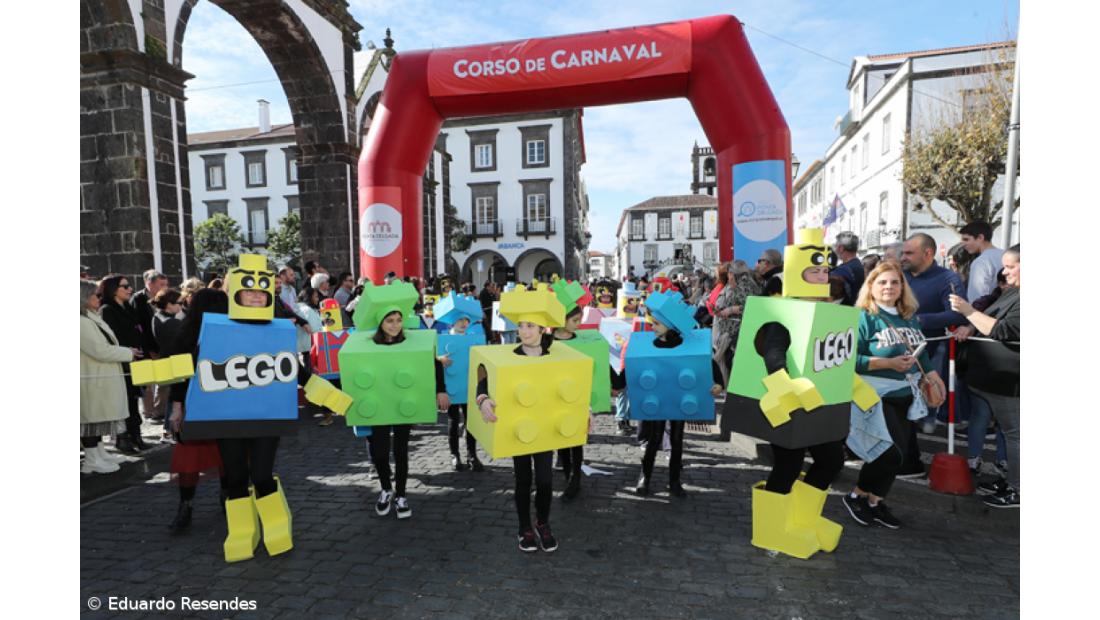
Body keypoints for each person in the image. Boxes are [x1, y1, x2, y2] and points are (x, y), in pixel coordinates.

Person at [476, 295, 591, 553]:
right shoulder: (507, 355)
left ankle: (543, 522)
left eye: (531, 326)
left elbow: (575, 384)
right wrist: (482, 399)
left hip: (545, 429)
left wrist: (586, 409)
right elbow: (483, 380)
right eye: (522, 325)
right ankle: (524, 527)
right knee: (523, 481)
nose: (525, 331)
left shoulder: (558, 354)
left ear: (543, 329)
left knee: (546, 480)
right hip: (517, 429)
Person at [844, 261, 945, 530]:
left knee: (898, 456)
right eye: (882, 282)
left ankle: (875, 501)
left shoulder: (909, 316)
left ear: (902, 287)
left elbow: (920, 350)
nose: (889, 287)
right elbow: (849, 359)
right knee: (889, 453)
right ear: (871, 287)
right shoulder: (862, 317)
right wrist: (888, 363)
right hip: (873, 395)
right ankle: (856, 496)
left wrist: (932, 374)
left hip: (907, 393)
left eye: (894, 282)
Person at [950, 245, 1020, 508]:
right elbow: (988, 318)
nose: (1004, 271)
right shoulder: (1013, 293)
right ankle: (1012, 481)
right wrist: (970, 322)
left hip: (1008, 381)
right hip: (991, 380)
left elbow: (1002, 330)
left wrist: (968, 311)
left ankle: (1018, 489)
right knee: (1009, 432)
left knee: (1015, 435)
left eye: (1011, 266)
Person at [630, 304, 724, 498]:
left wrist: (719, 384)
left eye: (656, 323)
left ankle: (674, 481)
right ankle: (644, 477)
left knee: (676, 440)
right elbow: (636, 362)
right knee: (654, 439)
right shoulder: (650, 345)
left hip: (680, 400)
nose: (652, 327)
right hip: (658, 400)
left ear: (670, 325)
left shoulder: (687, 344)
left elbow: (709, 362)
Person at [369, 309, 450, 519]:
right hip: (378, 404)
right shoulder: (369, 344)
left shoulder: (410, 342)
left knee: (401, 450)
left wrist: (441, 390)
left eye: (398, 321)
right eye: (389, 321)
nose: (395, 325)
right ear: (380, 323)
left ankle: (401, 495)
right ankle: (386, 489)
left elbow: (433, 363)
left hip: (403, 404)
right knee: (379, 452)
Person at [899, 233, 967, 473]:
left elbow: (957, 313)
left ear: (927, 254)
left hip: (933, 346)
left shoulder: (948, 278)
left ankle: (927, 418)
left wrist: (918, 320)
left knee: (929, 389)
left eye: (909, 253)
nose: (903, 257)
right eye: (903, 252)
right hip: (897, 347)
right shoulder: (900, 275)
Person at [164, 289, 227, 532]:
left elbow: (179, 378)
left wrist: (177, 408)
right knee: (228, 456)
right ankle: (227, 498)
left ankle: (186, 506)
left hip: (196, 405)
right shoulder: (231, 332)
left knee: (190, 459)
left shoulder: (186, 332)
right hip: (225, 407)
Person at [80, 279, 138, 474]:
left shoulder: (90, 318)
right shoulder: (81, 322)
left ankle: (99, 452)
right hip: (92, 377)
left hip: (100, 375)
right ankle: (91, 458)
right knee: (90, 419)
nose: (99, 298)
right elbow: (99, 350)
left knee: (97, 419)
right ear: (84, 298)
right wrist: (127, 353)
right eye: (96, 295)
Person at [98, 274, 153, 453]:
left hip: (135, 359)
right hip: (121, 361)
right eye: (125, 286)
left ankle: (136, 435)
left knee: (134, 398)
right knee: (124, 400)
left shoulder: (128, 307)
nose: (130, 288)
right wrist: (127, 350)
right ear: (113, 289)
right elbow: (111, 338)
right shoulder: (107, 309)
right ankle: (123, 439)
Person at [712, 260, 761, 385]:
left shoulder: (744, 284)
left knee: (731, 361)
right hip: (731, 330)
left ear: (733, 273)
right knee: (727, 361)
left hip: (738, 331)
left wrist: (730, 310)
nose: (728, 276)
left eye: (729, 273)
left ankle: (734, 387)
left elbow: (750, 307)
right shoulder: (739, 283)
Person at [959, 221, 1005, 302]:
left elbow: (976, 297)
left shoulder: (981, 262)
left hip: (988, 311)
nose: (963, 244)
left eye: (966, 239)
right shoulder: (1006, 254)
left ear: (980, 237)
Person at [830, 232, 864, 306]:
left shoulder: (843, 271)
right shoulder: (859, 265)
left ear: (841, 248)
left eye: (836, 246)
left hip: (844, 312)